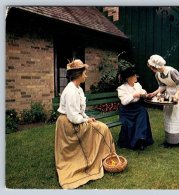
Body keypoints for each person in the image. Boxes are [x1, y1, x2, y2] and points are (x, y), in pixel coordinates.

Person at [55, 59, 116, 189]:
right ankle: (100, 157)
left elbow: (80, 112)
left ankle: (104, 157)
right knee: (102, 128)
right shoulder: (71, 91)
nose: (86, 76)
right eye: (84, 73)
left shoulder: (78, 89)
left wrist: (87, 118)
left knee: (100, 127)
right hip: (69, 125)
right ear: (78, 74)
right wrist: (85, 120)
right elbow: (73, 116)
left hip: (75, 120)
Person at [146, 54, 179, 147]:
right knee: (168, 116)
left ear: (156, 66)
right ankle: (169, 140)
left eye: (152, 67)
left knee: (176, 116)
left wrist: (176, 95)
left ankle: (177, 141)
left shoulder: (172, 71)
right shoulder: (157, 74)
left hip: (178, 94)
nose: (152, 69)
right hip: (169, 95)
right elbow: (162, 86)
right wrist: (153, 94)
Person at [117, 67, 154, 150]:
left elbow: (142, 91)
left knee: (143, 111)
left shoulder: (137, 85)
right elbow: (124, 102)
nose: (136, 77)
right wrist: (134, 95)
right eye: (134, 76)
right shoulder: (122, 88)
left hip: (137, 107)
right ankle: (136, 141)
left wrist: (144, 93)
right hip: (126, 110)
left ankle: (140, 139)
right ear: (128, 78)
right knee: (131, 121)